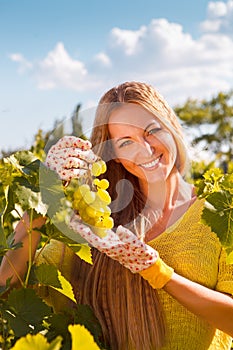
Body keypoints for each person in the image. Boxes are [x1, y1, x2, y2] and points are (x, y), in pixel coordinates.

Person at [1, 81, 233, 350]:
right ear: (116, 156)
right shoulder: (97, 226)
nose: (145, 149)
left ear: (170, 125)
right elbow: (6, 288)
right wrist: (43, 198)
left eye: (152, 131)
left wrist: (157, 272)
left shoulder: (219, 215)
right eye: (126, 142)